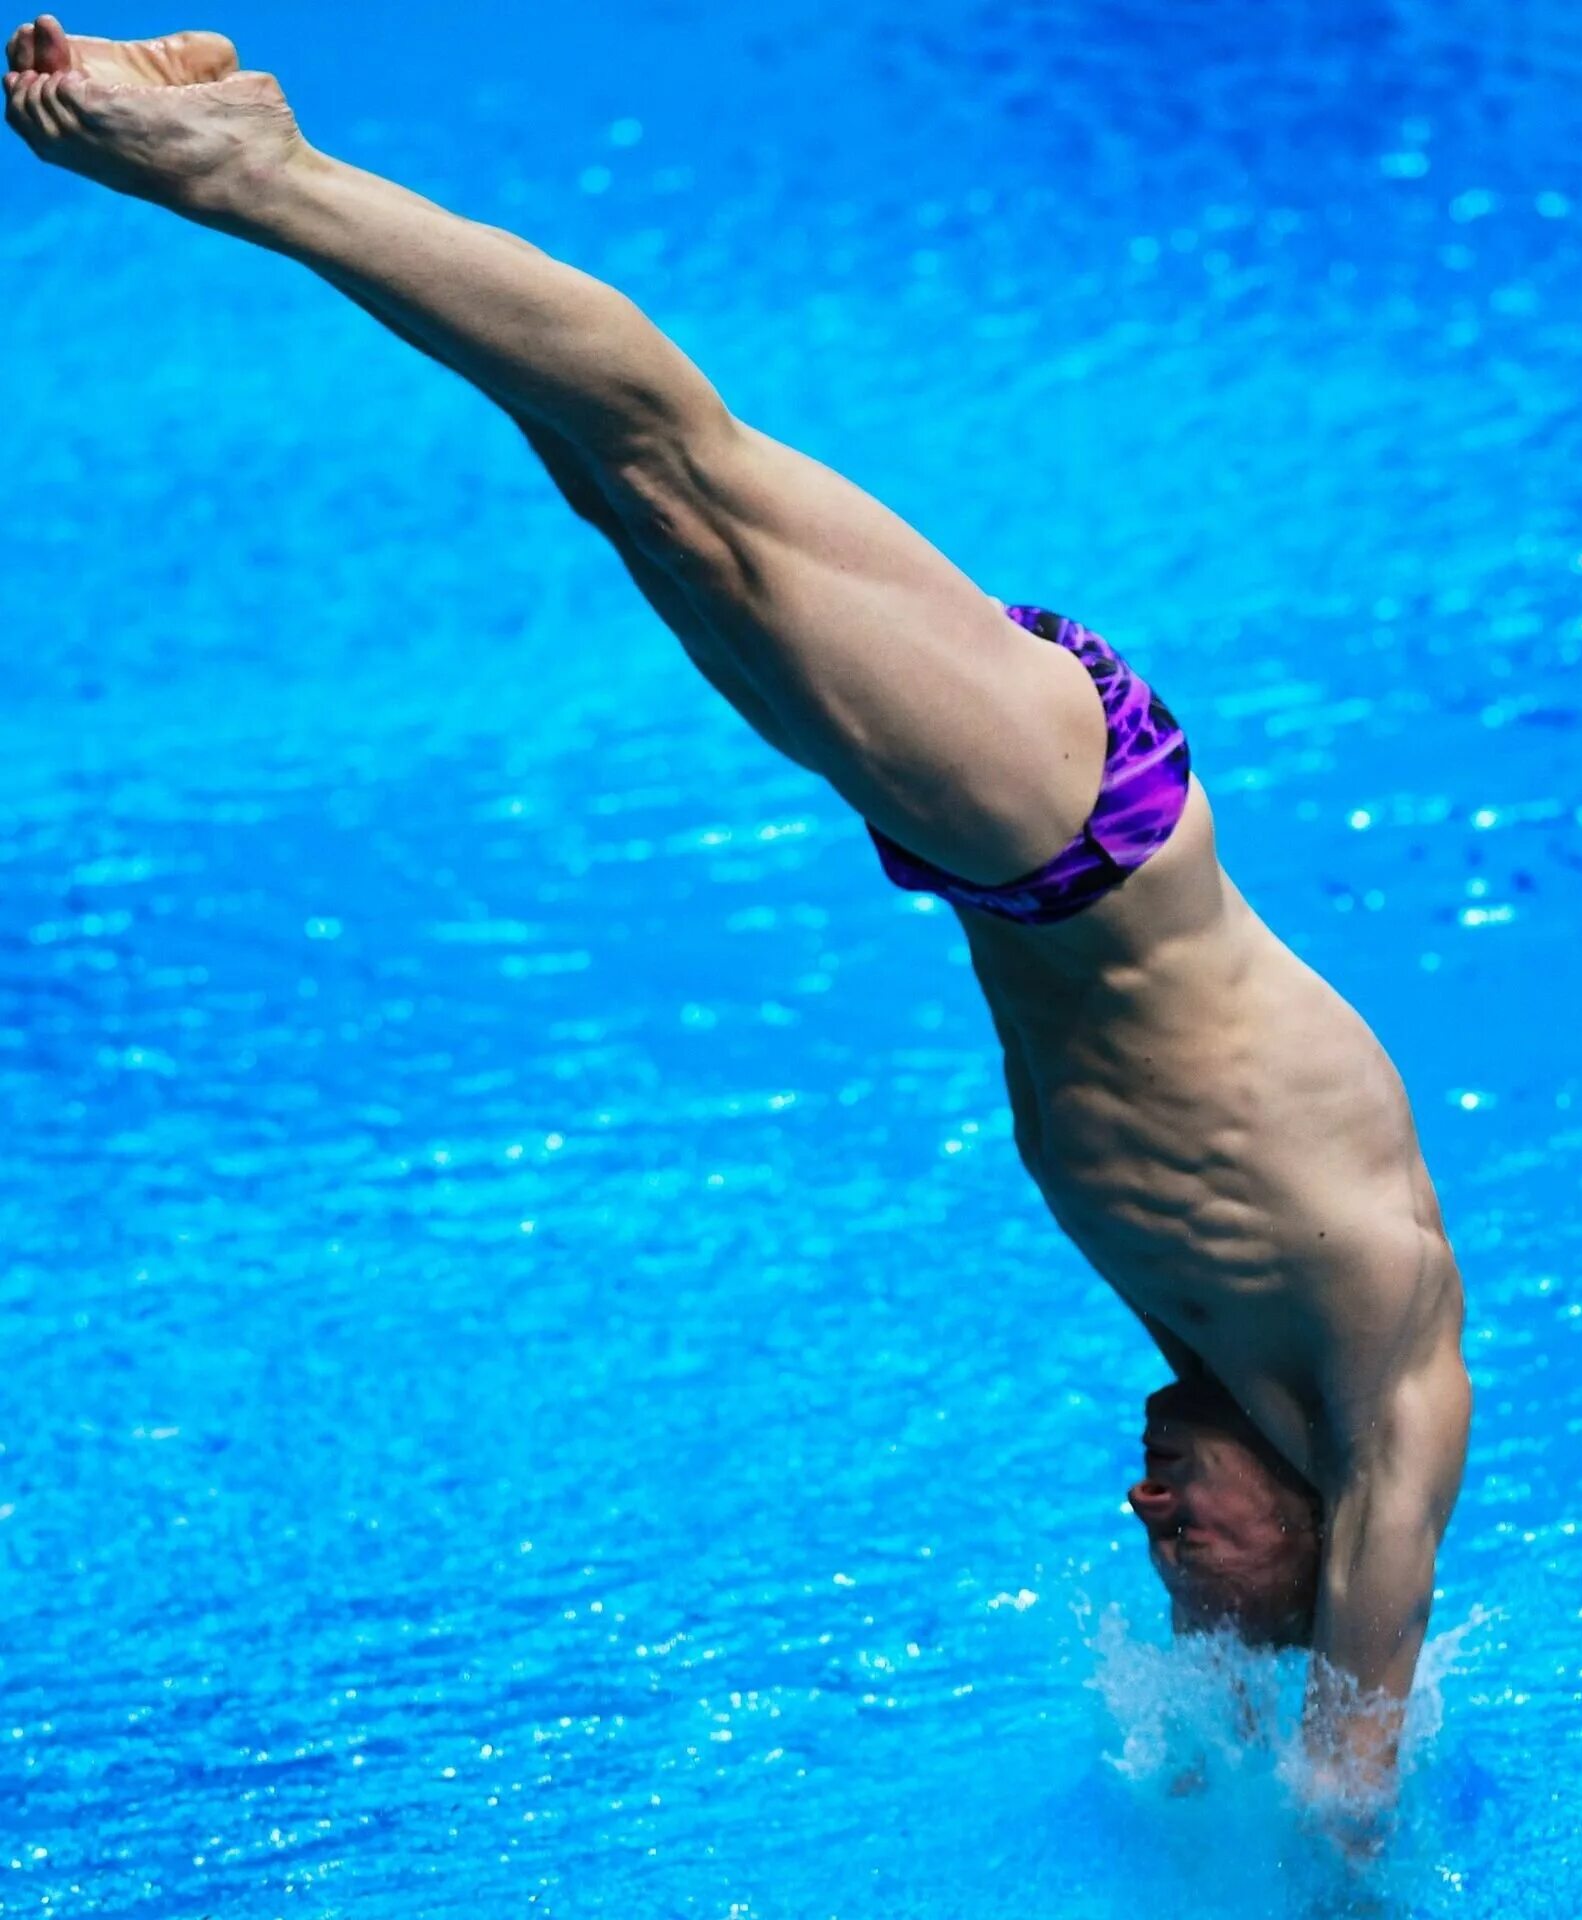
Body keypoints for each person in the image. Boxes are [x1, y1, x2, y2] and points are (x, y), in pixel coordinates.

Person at [4, 15, 1472, 1826]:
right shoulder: (1377, 1382)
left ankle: (254, 146)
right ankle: (251, 165)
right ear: (1321, 1548)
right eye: (1202, 1562)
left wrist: (1204, 1740)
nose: (1148, 1520)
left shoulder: (1228, 1350)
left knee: (614, 472)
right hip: (1072, 829)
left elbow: (1256, 1651)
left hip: (1019, 833)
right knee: (662, 452)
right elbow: (1358, 1758)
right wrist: (1330, 1825)